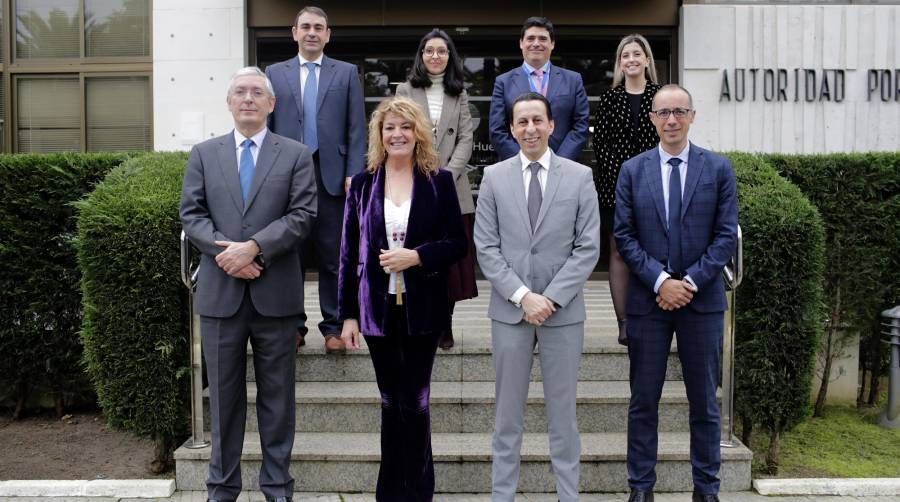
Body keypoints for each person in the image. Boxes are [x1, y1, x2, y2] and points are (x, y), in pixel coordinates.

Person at [180, 66, 317, 502]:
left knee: (278, 401)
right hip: (221, 297)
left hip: (275, 295)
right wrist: (230, 257)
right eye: (240, 92)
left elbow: (303, 215)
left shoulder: (296, 154)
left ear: (271, 103)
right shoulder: (204, 154)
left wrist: (253, 248)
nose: (248, 99)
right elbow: (192, 215)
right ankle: (222, 488)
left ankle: (277, 487)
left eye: (258, 92)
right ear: (228, 102)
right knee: (223, 401)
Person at [337, 97, 467, 501]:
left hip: (423, 308)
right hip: (375, 310)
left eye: (405, 127)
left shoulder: (439, 181)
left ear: (417, 134)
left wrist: (417, 256)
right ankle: (390, 492)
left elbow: (458, 243)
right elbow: (346, 252)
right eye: (390, 128)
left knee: (417, 400)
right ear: (380, 134)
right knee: (390, 400)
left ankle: (418, 491)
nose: (397, 134)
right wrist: (347, 316)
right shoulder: (361, 184)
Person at [614, 84, 738, 502]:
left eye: (679, 112)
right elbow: (624, 236)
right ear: (651, 118)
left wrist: (688, 283)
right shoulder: (632, 170)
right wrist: (660, 281)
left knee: (704, 403)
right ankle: (641, 488)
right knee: (643, 402)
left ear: (692, 116)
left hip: (700, 303)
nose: (671, 120)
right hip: (648, 304)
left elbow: (725, 237)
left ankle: (706, 489)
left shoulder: (718, 169)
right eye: (663, 112)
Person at [474, 92, 600, 502]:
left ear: (552, 125)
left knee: (563, 417)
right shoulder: (493, 177)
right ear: (511, 129)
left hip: (562, 315)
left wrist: (551, 299)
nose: (530, 129)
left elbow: (588, 248)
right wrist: (524, 296)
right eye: (522, 122)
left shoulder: (579, 176)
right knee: (506, 418)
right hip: (510, 313)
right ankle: (501, 497)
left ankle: (569, 496)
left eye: (537, 121)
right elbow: (486, 248)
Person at [266, 6, 366, 353]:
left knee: (333, 256)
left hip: (334, 180)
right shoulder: (274, 73)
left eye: (318, 27)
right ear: (294, 32)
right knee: (290, 254)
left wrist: (355, 172)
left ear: (328, 34)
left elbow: (357, 128)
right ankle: (293, 326)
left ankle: (334, 327)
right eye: (305, 26)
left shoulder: (347, 73)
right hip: (287, 178)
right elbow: (269, 128)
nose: (312, 32)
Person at [396, 28, 477, 350]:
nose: (435, 56)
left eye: (441, 51)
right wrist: (421, 172)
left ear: (449, 57)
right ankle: (421, 319)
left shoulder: (460, 93)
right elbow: (398, 134)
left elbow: (466, 139)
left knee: (449, 262)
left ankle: (446, 324)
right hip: (413, 185)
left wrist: (446, 175)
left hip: (451, 188)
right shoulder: (405, 89)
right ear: (421, 55)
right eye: (429, 50)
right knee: (417, 257)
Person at [592, 34, 662, 346]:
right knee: (618, 251)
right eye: (625, 55)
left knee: (651, 248)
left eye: (637, 54)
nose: (631, 59)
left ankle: (648, 315)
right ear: (621, 63)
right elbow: (601, 147)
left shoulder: (661, 97)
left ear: (647, 59)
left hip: (655, 188)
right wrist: (623, 182)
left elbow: (666, 143)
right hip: (613, 188)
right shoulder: (610, 99)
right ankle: (623, 322)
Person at [489, 16, 589, 162]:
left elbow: (580, 126)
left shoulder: (573, 80)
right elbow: (497, 131)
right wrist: (525, 161)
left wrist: (557, 162)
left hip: (562, 168)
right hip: (518, 170)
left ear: (552, 44)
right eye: (530, 38)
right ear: (521, 43)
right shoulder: (503, 82)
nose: (536, 43)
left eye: (542, 38)